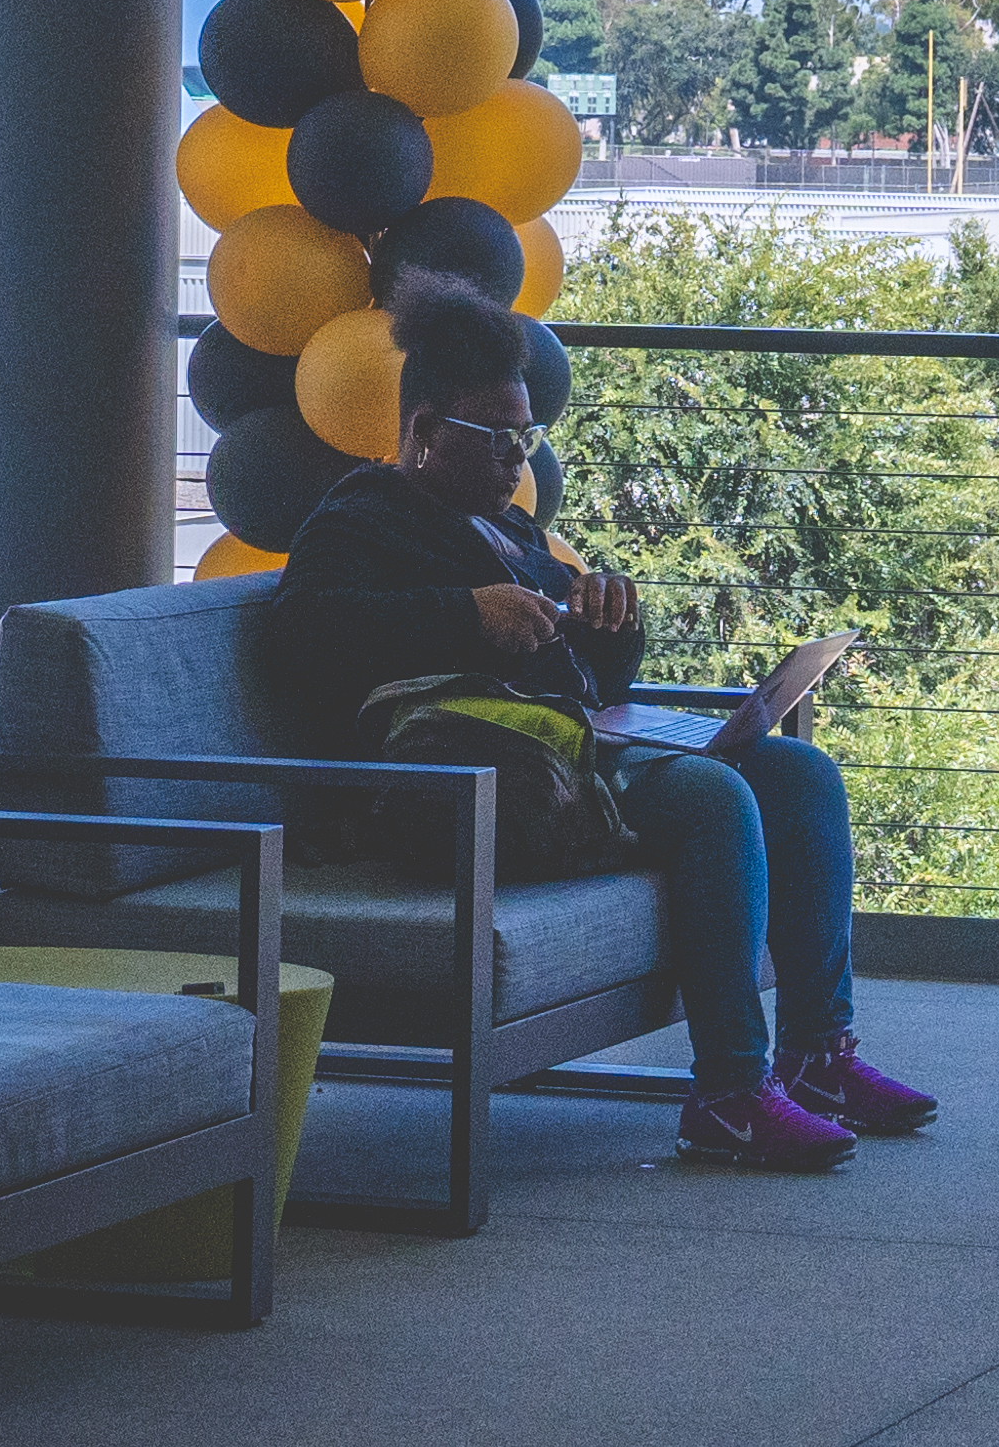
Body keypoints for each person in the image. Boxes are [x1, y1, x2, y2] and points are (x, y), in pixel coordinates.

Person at [264, 276, 935, 1171]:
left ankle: (818, 1054)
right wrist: (465, 615)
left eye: (527, 436)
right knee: (709, 796)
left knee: (796, 774)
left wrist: (609, 626)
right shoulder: (359, 519)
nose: (517, 459)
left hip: (559, 748)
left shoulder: (505, 528)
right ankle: (731, 1091)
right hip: (462, 785)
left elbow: (577, 678)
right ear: (423, 430)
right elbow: (304, 634)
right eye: (496, 438)